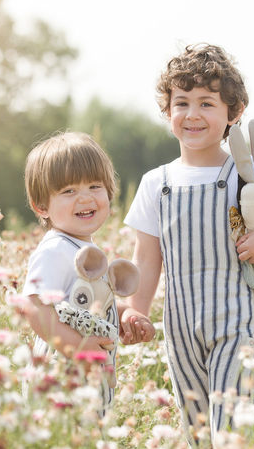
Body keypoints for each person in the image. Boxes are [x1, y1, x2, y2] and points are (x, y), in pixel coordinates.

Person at [122, 44, 254, 443]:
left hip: (239, 322)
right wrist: (136, 308)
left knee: (231, 432)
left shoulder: (249, 175)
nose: (192, 114)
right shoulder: (157, 183)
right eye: (181, 102)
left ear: (233, 113)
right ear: (167, 111)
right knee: (199, 434)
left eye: (207, 103)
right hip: (180, 328)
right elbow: (147, 259)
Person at [22, 131, 155, 409]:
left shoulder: (79, 248)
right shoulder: (55, 250)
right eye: (69, 191)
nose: (85, 198)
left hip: (87, 388)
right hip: (59, 385)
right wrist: (77, 347)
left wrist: (125, 315)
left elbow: (90, 305)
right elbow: (34, 307)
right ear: (42, 206)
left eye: (95, 186)